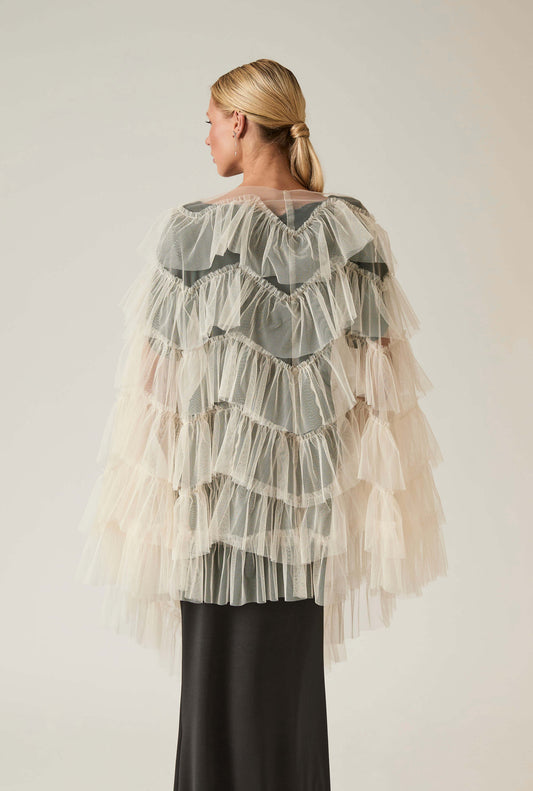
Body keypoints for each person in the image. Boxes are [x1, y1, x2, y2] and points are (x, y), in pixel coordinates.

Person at [76, 58, 448, 791]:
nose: (206, 136)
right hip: (305, 499)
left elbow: (154, 384)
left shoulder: (192, 231)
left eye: (211, 121)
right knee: (287, 687)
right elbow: (379, 375)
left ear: (241, 122)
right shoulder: (350, 229)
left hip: (214, 494)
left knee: (213, 680)